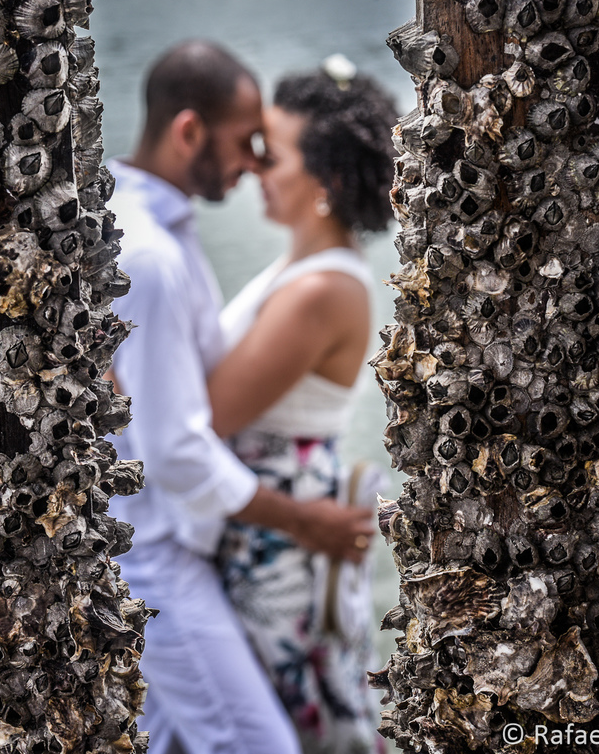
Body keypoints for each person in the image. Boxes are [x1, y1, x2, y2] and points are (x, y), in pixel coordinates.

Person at [105, 41, 377, 754]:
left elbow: (184, 412)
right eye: (250, 143)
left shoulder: (158, 236)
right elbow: (180, 439)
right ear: (189, 131)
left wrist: (125, 380)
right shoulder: (155, 253)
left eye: (270, 151)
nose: (255, 164)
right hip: (181, 538)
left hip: (232, 538)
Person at [210, 63, 397, 754]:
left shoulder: (322, 290)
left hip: (283, 536)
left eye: (274, 153)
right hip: (271, 515)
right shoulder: (304, 269)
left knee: (293, 720)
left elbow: (207, 415)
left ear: (329, 181)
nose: (255, 167)